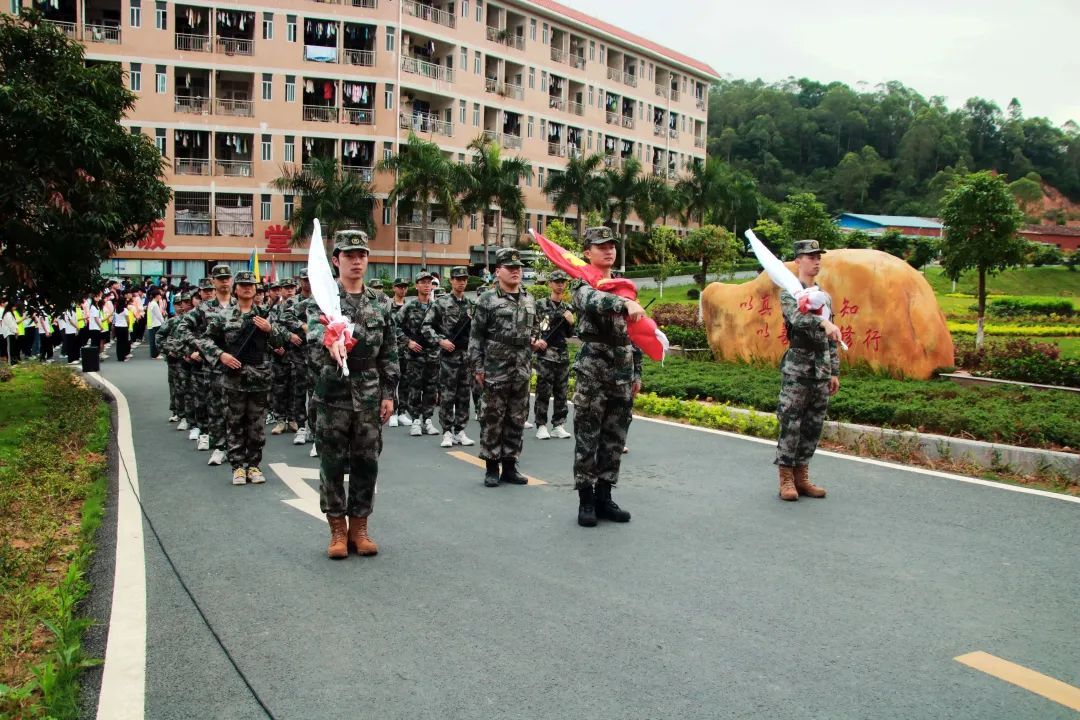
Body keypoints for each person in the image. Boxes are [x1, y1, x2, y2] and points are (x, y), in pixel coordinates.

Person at [306, 230, 399, 559]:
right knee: (331, 462)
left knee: (366, 461)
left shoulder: (381, 302)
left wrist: (389, 393)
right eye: (349, 255)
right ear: (336, 260)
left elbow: (389, 351)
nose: (356, 261)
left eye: (362, 255)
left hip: (369, 392)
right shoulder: (323, 299)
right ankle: (337, 530)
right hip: (333, 392)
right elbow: (313, 334)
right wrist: (329, 340)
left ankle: (359, 527)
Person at [571, 227, 643, 527]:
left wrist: (637, 371)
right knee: (588, 437)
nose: (609, 250)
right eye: (601, 246)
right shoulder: (582, 284)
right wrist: (623, 303)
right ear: (587, 252)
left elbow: (635, 333)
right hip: (593, 372)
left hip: (622, 372)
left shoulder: (623, 285)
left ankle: (604, 496)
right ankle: (586, 500)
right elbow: (593, 300)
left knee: (615, 438)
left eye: (611, 245)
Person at [200, 271, 286, 485]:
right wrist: (222, 355)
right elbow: (205, 340)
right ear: (235, 289)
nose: (247, 288)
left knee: (256, 425)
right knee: (234, 423)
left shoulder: (265, 315)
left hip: (260, 377)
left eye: (251, 285)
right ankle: (238, 467)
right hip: (234, 378)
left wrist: (270, 329)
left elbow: (280, 343)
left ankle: (254, 465)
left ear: (256, 289)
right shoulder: (224, 316)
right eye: (243, 285)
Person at [775, 239, 840, 501]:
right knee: (791, 423)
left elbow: (832, 338)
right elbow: (797, 319)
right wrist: (822, 322)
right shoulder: (789, 293)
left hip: (821, 370)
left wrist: (834, 371)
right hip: (797, 370)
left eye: (818, 257)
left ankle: (802, 476)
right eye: (811, 257)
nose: (816, 261)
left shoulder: (824, 296)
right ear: (798, 261)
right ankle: (786, 478)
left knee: (813, 426)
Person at [469, 248, 536, 487]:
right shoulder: (487, 299)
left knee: (517, 418)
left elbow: (534, 329)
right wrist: (477, 367)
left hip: (522, 367)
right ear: (498, 272)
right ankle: (491, 467)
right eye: (510, 268)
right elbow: (476, 336)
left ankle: (510, 465)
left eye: (518, 268)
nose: (516, 272)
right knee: (492, 418)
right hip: (495, 368)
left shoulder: (528, 298)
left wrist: (535, 342)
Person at [422, 266, 476, 448]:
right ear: (451, 280)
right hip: (448, 357)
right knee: (447, 395)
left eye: (464, 279)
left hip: (466, 357)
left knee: (464, 395)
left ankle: (460, 431)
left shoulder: (471, 305)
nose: (462, 282)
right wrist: (440, 341)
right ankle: (447, 432)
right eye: (458, 279)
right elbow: (426, 326)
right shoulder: (441, 303)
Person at [531, 270, 575, 440]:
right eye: (557, 281)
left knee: (561, 391)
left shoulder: (567, 308)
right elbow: (533, 326)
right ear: (550, 284)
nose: (560, 285)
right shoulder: (540, 305)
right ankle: (541, 424)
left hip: (562, 354)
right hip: (545, 353)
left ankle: (558, 425)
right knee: (543, 390)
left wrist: (571, 322)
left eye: (563, 282)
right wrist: (536, 341)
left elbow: (570, 334)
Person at [398, 272, 440, 437]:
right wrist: (407, 341)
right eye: (423, 282)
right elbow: (395, 326)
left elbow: (443, 328)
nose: (427, 285)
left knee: (431, 388)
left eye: (429, 282)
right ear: (416, 285)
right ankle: (415, 420)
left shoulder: (436, 307)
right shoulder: (409, 307)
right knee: (414, 388)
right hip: (415, 355)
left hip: (433, 354)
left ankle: (427, 420)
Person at [387, 278, 410, 428]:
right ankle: (393, 413)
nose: (402, 289)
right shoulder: (388, 305)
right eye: (400, 287)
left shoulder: (410, 306)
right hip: (392, 349)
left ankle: (402, 412)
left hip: (407, 350)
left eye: (405, 287)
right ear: (394, 288)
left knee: (405, 382)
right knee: (391, 381)